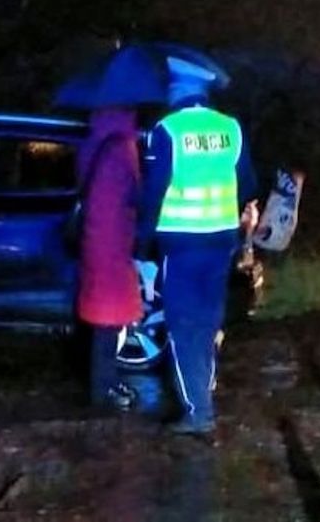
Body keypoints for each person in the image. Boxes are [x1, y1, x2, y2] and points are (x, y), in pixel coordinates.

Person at [136, 56, 258, 436]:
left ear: (176, 90)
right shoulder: (231, 129)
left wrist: (141, 250)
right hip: (222, 241)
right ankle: (202, 394)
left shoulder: (167, 130)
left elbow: (154, 194)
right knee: (206, 323)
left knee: (182, 327)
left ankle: (198, 412)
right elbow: (249, 184)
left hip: (181, 244)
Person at [77, 107, 143, 411]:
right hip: (113, 241)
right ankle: (102, 391)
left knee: (105, 320)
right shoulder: (120, 148)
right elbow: (132, 196)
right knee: (109, 322)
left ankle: (104, 384)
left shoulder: (95, 142)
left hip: (97, 239)